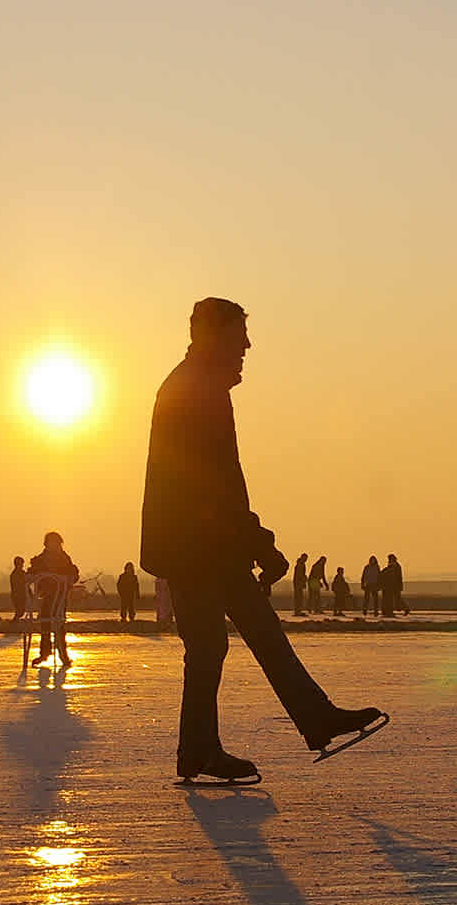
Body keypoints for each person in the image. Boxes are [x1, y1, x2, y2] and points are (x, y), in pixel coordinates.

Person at [139, 296, 385, 782]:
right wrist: (260, 544)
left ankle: (312, 720)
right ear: (213, 337)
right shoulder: (194, 390)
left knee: (258, 636)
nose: (247, 346)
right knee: (210, 647)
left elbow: (221, 481)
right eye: (239, 337)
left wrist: (253, 541)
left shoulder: (198, 386)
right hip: (196, 546)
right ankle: (202, 751)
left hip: (208, 543)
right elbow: (212, 483)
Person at [27, 531, 79, 666]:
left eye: (57, 543)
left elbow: (73, 573)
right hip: (45, 597)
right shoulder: (40, 559)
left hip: (60, 598)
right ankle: (44, 652)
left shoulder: (64, 558)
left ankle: (63, 654)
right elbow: (31, 573)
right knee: (45, 622)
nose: (55, 546)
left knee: (59, 624)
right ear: (47, 544)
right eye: (52, 543)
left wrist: (69, 579)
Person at [9, 555, 30, 620]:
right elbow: (22, 583)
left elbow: (26, 583)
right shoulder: (14, 574)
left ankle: (15, 621)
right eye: (21, 564)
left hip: (21, 595)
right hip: (17, 595)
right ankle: (14, 621)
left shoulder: (22, 573)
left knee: (21, 611)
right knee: (20, 611)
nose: (22, 565)